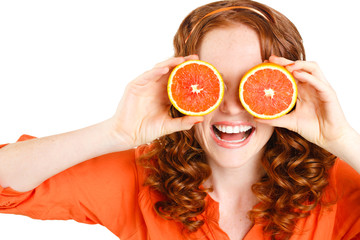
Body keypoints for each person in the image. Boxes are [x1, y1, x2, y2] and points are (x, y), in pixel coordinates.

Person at [1, 0, 360, 239]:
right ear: (181, 84)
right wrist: (115, 131)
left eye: (255, 86)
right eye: (213, 83)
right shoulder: (141, 180)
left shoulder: (335, 188)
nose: (233, 109)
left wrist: (341, 136)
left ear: (288, 91)